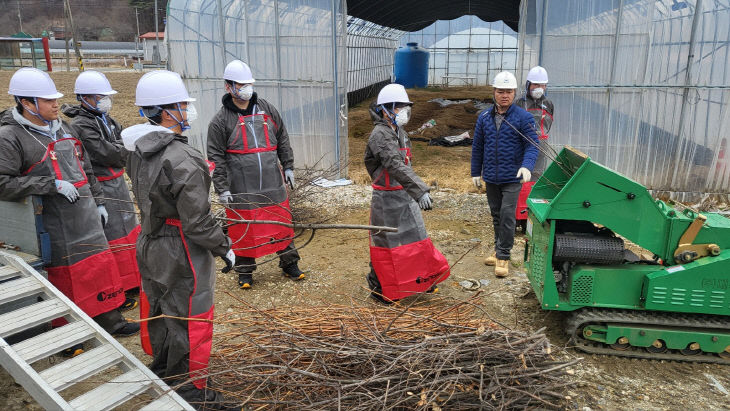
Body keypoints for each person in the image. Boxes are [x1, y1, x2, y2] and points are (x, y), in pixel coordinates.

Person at [0, 67, 139, 352]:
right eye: (47, 100)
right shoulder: (10, 137)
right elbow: (3, 182)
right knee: (65, 275)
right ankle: (67, 334)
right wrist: (50, 185)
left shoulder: (64, 128)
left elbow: (85, 167)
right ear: (26, 103)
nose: (55, 104)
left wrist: (98, 201)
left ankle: (110, 318)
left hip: (86, 213)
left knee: (98, 266)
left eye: (55, 99)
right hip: (52, 221)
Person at [122, 70, 236, 408]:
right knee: (189, 314)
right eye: (183, 105)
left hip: (149, 239)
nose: (188, 110)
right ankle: (191, 391)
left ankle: (163, 371)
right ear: (166, 110)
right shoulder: (184, 157)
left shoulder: (136, 149)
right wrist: (224, 248)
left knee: (160, 307)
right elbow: (198, 222)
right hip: (181, 246)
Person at [207, 59, 304, 289]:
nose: (246, 89)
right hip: (242, 187)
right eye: (240, 85)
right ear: (228, 87)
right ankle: (245, 271)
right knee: (244, 227)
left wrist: (288, 165)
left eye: (248, 84)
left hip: (273, 181)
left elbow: (282, 137)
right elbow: (215, 158)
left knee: (280, 223)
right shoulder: (220, 122)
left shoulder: (267, 109)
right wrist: (222, 188)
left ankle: (290, 263)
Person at [364, 83, 450, 304]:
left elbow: (406, 164)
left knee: (417, 239)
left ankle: (421, 281)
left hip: (404, 194)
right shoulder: (380, 135)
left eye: (405, 106)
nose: (404, 111)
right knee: (386, 244)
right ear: (386, 109)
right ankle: (380, 287)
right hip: (386, 199)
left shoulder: (399, 132)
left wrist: (413, 191)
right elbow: (394, 164)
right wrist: (420, 190)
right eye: (399, 107)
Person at [62, 70, 140, 311]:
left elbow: (122, 145)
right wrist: (120, 149)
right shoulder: (82, 125)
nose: (105, 100)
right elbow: (107, 153)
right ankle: (120, 286)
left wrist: (119, 148)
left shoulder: (108, 119)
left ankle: (134, 280)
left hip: (117, 182)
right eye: (100, 96)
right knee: (114, 235)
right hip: (103, 183)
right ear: (85, 98)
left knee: (128, 229)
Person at [471, 71, 539, 278]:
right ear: (494, 92)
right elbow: (478, 146)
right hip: (492, 176)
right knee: (497, 215)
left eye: (509, 91)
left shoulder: (523, 117)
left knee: (508, 215)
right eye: (501, 91)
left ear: (514, 92)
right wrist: (475, 172)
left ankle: (504, 256)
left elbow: (533, 145)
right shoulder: (484, 117)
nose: (504, 95)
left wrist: (527, 165)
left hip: (512, 177)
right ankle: (498, 248)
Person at [515, 66, 554, 179]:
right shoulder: (519, 103)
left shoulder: (549, 104)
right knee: (521, 177)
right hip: (523, 146)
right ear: (528, 85)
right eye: (536, 85)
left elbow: (549, 124)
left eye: (542, 85)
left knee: (537, 177)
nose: (539, 88)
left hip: (542, 147)